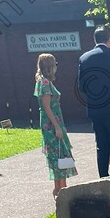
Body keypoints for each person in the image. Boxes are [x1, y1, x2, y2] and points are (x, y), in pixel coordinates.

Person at [78, 26, 110, 178]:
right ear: (109, 40)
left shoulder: (84, 58)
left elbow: (81, 87)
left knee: (102, 146)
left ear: (95, 40)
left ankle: (103, 177)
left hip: (95, 110)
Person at [33, 53, 77, 199]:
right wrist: (57, 127)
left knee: (58, 155)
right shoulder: (44, 83)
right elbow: (47, 107)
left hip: (52, 123)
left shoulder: (42, 81)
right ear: (49, 66)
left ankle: (59, 188)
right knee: (59, 155)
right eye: (55, 64)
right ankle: (61, 190)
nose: (57, 66)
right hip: (51, 125)